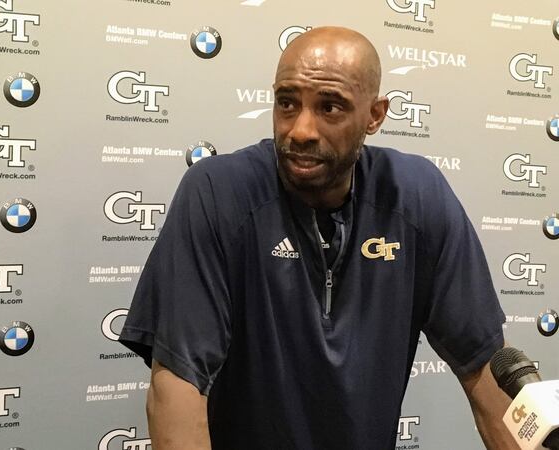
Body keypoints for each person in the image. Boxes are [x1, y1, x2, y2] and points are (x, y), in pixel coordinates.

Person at [119, 26, 518, 449]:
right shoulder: (218, 192)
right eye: (287, 103)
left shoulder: (416, 196)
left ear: (375, 115)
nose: (301, 130)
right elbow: (177, 386)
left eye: (330, 108)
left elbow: (486, 368)